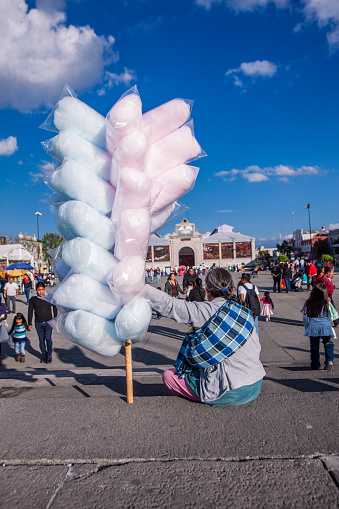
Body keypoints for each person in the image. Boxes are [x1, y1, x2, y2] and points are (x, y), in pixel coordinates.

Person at [145, 268, 265, 406]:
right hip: (255, 383)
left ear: (207, 290)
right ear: (232, 288)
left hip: (231, 391)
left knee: (169, 376)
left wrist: (141, 288)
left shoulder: (207, 310)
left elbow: (170, 305)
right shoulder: (244, 310)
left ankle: (210, 393)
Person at [302, 284, 334, 371]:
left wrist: (307, 327)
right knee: (328, 344)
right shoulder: (326, 303)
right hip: (325, 326)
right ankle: (329, 361)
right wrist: (328, 324)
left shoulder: (308, 303)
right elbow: (329, 316)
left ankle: (315, 364)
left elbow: (305, 317)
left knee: (314, 347)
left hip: (313, 327)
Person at [28, 282, 58, 363]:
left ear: (44, 289)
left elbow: (55, 307)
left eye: (42, 290)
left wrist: (55, 318)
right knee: (41, 340)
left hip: (48, 322)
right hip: (38, 323)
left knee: (48, 338)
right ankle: (44, 355)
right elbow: (30, 311)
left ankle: (49, 355)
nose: (40, 292)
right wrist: (29, 323)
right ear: (36, 290)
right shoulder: (33, 299)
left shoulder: (48, 297)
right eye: (39, 290)